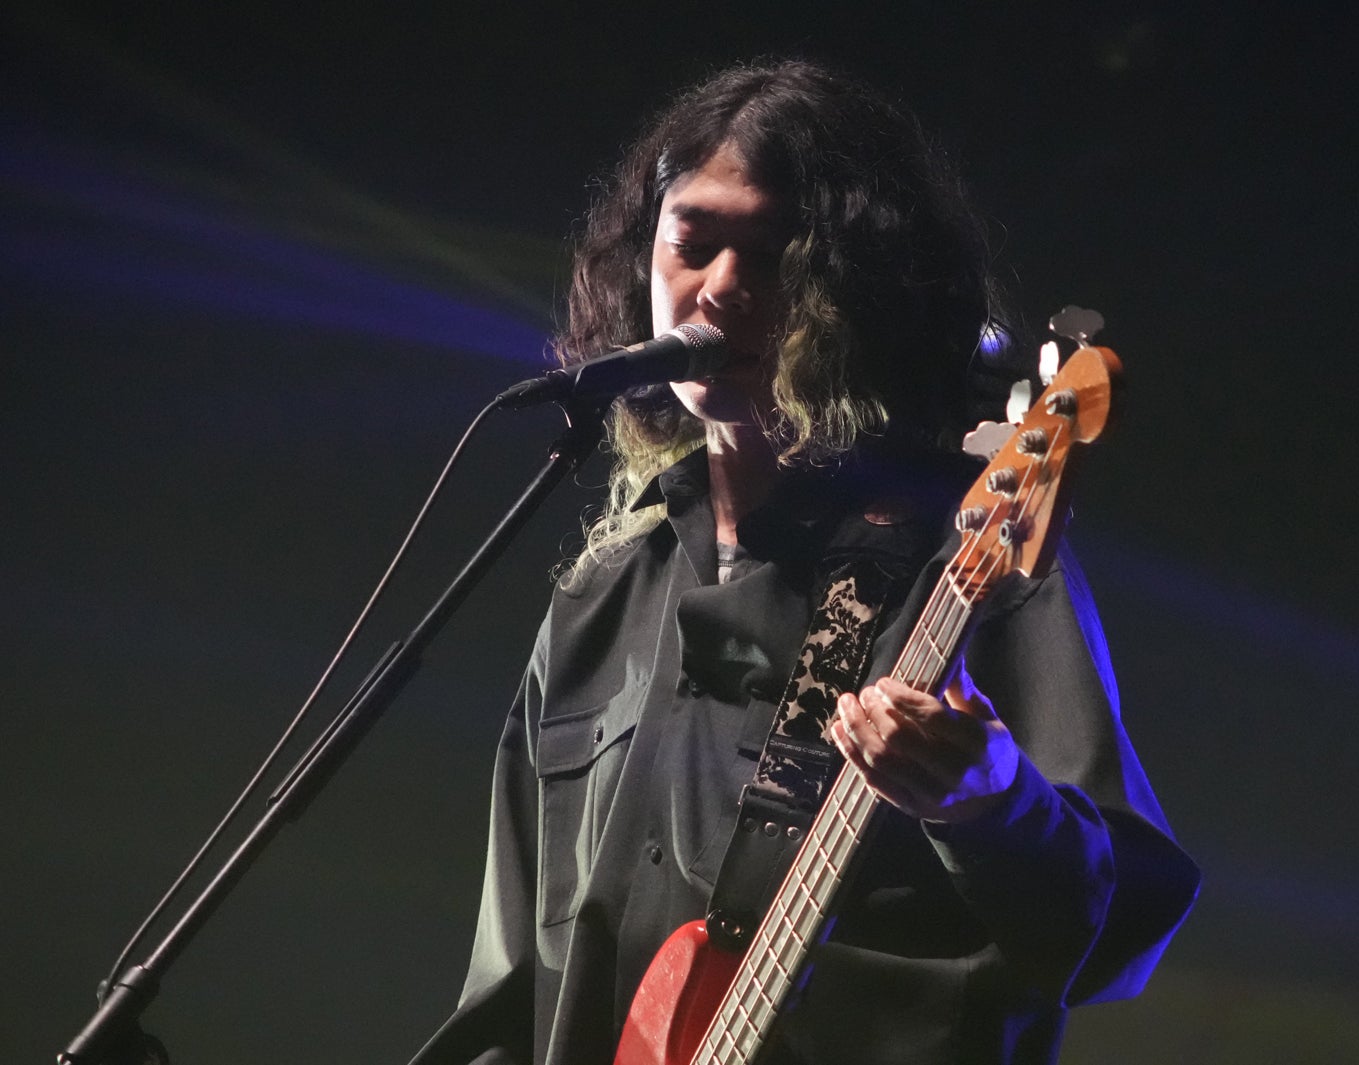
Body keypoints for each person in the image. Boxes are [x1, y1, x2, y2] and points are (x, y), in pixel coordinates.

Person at [411, 59, 1198, 1065]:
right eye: (693, 242)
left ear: (860, 290)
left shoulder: (971, 555)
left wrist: (993, 802)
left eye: (773, 254)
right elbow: (508, 996)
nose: (721, 287)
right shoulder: (599, 600)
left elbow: (1124, 925)